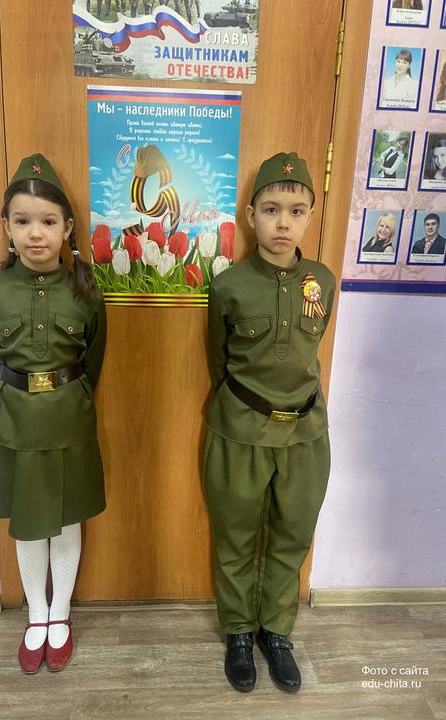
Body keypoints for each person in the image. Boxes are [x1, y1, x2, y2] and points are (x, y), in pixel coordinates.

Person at [204, 153, 336, 695]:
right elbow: (218, 358)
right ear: (251, 216)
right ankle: (239, 631)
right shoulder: (229, 285)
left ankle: (276, 632)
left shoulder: (322, 281)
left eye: (296, 211)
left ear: (309, 216)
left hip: (306, 434)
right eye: (272, 209)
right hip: (241, 431)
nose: (284, 223)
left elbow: (310, 349)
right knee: (236, 534)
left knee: (292, 533)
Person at [0, 153, 107, 674]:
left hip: (69, 419)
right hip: (14, 425)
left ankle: (61, 613)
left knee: (67, 520)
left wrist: (70, 397)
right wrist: (10, 405)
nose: (36, 234)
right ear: (6, 226)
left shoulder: (85, 292)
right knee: (28, 525)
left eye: (48, 221)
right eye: (23, 221)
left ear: (67, 228)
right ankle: (36, 614)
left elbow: (93, 361)